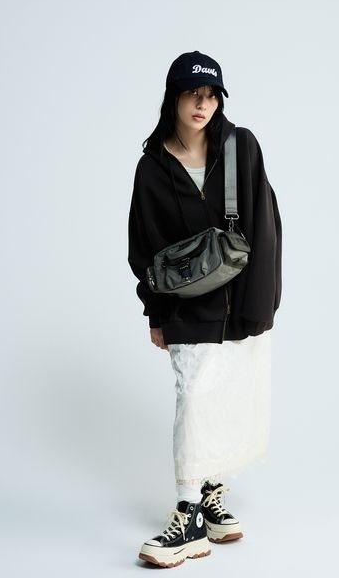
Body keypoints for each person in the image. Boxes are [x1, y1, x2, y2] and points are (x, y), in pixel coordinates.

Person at [127, 50, 282, 568]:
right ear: (173, 97)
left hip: (242, 301)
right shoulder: (152, 167)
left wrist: (262, 306)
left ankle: (212, 496)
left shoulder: (241, 147)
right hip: (185, 305)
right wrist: (154, 313)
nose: (203, 104)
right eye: (193, 94)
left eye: (212, 95)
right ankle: (188, 514)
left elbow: (265, 227)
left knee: (228, 398)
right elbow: (144, 248)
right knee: (193, 398)